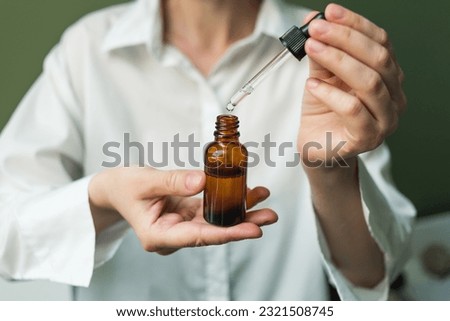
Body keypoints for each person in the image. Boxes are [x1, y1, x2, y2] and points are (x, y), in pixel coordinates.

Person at [0, 0, 415, 300]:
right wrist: (103, 200)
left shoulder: (326, 62)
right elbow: (7, 229)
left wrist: (331, 168)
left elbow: (374, 274)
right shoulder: (86, 51)